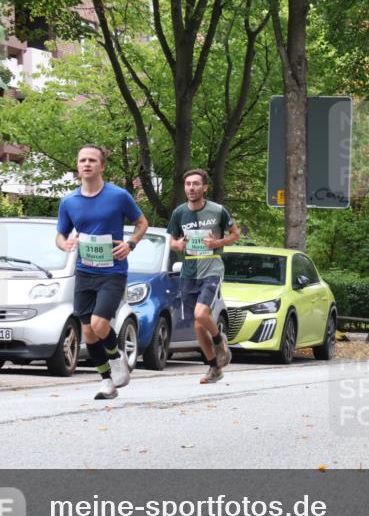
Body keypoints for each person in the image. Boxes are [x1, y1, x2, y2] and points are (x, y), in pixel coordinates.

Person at [56, 143, 149, 400]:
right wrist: (64, 243)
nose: (86, 164)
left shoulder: (118, 196)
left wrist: (130, 244)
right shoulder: (69, 201)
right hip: (85, 271)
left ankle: (117, 356)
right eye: (82, 160)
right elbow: (60, 234)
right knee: (87, 331)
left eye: (92, 160)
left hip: (113, 271)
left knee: (99, 323)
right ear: (77, 166)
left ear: (102, 166)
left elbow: (142, 223)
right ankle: (107, 381)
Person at [167, 168, 240, 384]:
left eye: (196, 184)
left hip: (212, 267)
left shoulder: (218, 211)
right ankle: (214, 368)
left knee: (201, 314)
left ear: (204, 187)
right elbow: (171, 240)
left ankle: (219, 340)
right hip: (189, 269)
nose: (191, 187)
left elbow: (235, 234)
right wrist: (177, 244)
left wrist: (218, 243)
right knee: (198, 325)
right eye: (188, 184)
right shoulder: (179, 213)